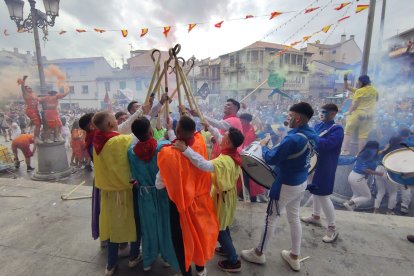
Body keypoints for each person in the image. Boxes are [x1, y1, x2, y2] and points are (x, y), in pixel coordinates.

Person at [241, 102, 319, 272]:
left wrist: (263, 145)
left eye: (290, 116)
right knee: (294, 217)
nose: (287, 118)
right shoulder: (312, 134)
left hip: (285, 184)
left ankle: (258, 253)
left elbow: (270, 158)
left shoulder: (292, 139)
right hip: (300, 182)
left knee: (271, 217)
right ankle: (294, 256)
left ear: (298, 119)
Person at [173, 122, 244, 273]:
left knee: (219, 229)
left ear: (228, 142)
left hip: (222, 198)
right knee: (224, 225)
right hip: (227, 195)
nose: (220, 136)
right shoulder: (233, 152)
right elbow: (218, 138)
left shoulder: (224, 160)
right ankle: (227, 248)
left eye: (224, 136)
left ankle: (233, 260)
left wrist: (186, 150)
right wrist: (208, 126)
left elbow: (204, 164)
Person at [156, 116, 219, 276]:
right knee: (199, 236)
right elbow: (185, 140)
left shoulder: (168, 154)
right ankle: (200, 268)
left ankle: (186, 273)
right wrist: (171, 129)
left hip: (180, 206)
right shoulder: (199, 142)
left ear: (178, 131)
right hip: (201, 202)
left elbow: (159, 184)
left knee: (181, 241)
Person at [127, 117, 178, 271]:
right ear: (151, 131)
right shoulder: (162, 147)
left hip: (144, 194)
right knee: (165, 225)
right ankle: (167, 257)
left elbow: (134, 175)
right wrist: (170, 130)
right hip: (162, 193)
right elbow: (173, 147)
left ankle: (148, 261)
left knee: (148, 227)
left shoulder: (131, 152)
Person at [92, 111, 136, 276]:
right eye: (114, 119)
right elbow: (139, 134)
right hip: (122, 193)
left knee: (111, 229)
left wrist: (143, 110)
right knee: (131, 224)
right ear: (111, 124)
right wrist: (145, 115)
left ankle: (110, 265)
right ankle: (133, 256)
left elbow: (124, 128)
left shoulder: (98, 138)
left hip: (107, 193)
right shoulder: (118, 141)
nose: (118, 121)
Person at [301, 104, 344, 243]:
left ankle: (332, 228)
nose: (321, 114)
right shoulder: (319, 126)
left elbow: (326, 145)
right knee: (315, 192)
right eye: (320, 111)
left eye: (324, 112)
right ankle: (316, 216)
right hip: (314, 164)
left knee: (323, 196)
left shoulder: (337, 129)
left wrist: (312, 137)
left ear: (332, 114)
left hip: (326, 166)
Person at [341, 75, 379, 154]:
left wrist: (349, 112)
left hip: (359, 114)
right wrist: (345, 78)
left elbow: (355, 105)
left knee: (347, 132)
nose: (357, 83)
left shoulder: (359, 91)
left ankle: (345, 151)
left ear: (361, 82)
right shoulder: (375, 91)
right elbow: (376, 101)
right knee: (363, 136)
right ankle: (360, 154)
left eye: (358, 81)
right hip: (369, 115)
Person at [343, 141, 382, 211]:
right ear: (375, 148)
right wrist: (378, 173)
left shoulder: (363, 151)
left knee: (356, 195)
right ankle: (349, 203)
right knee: (367, 196)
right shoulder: (371, 153)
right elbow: (365, 170)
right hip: (359, 178)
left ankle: (350, 209)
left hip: (352, 175)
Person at [239, 113, 266, 202]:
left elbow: (257, 142)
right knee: (240, 178)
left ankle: (253, 198)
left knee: (249, 179)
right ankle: (242, 196)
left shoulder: (252, 129)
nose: (241, 121)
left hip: (249, 157)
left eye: (243, 120)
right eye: (241, 119)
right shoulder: (240, 128)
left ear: (247, 121)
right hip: (240, 156)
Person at [18, 76, 41, 143]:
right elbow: (22, 88)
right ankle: (36, 138)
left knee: (39, 124)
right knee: (38, 124)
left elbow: (38, 99)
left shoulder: (33, 94)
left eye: (30, 87)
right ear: (26, 90)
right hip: (31, 111)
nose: (30, 88)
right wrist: (24, 80)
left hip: (36, 111)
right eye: (28, 88)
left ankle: (35, 135)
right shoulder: (26, 94)